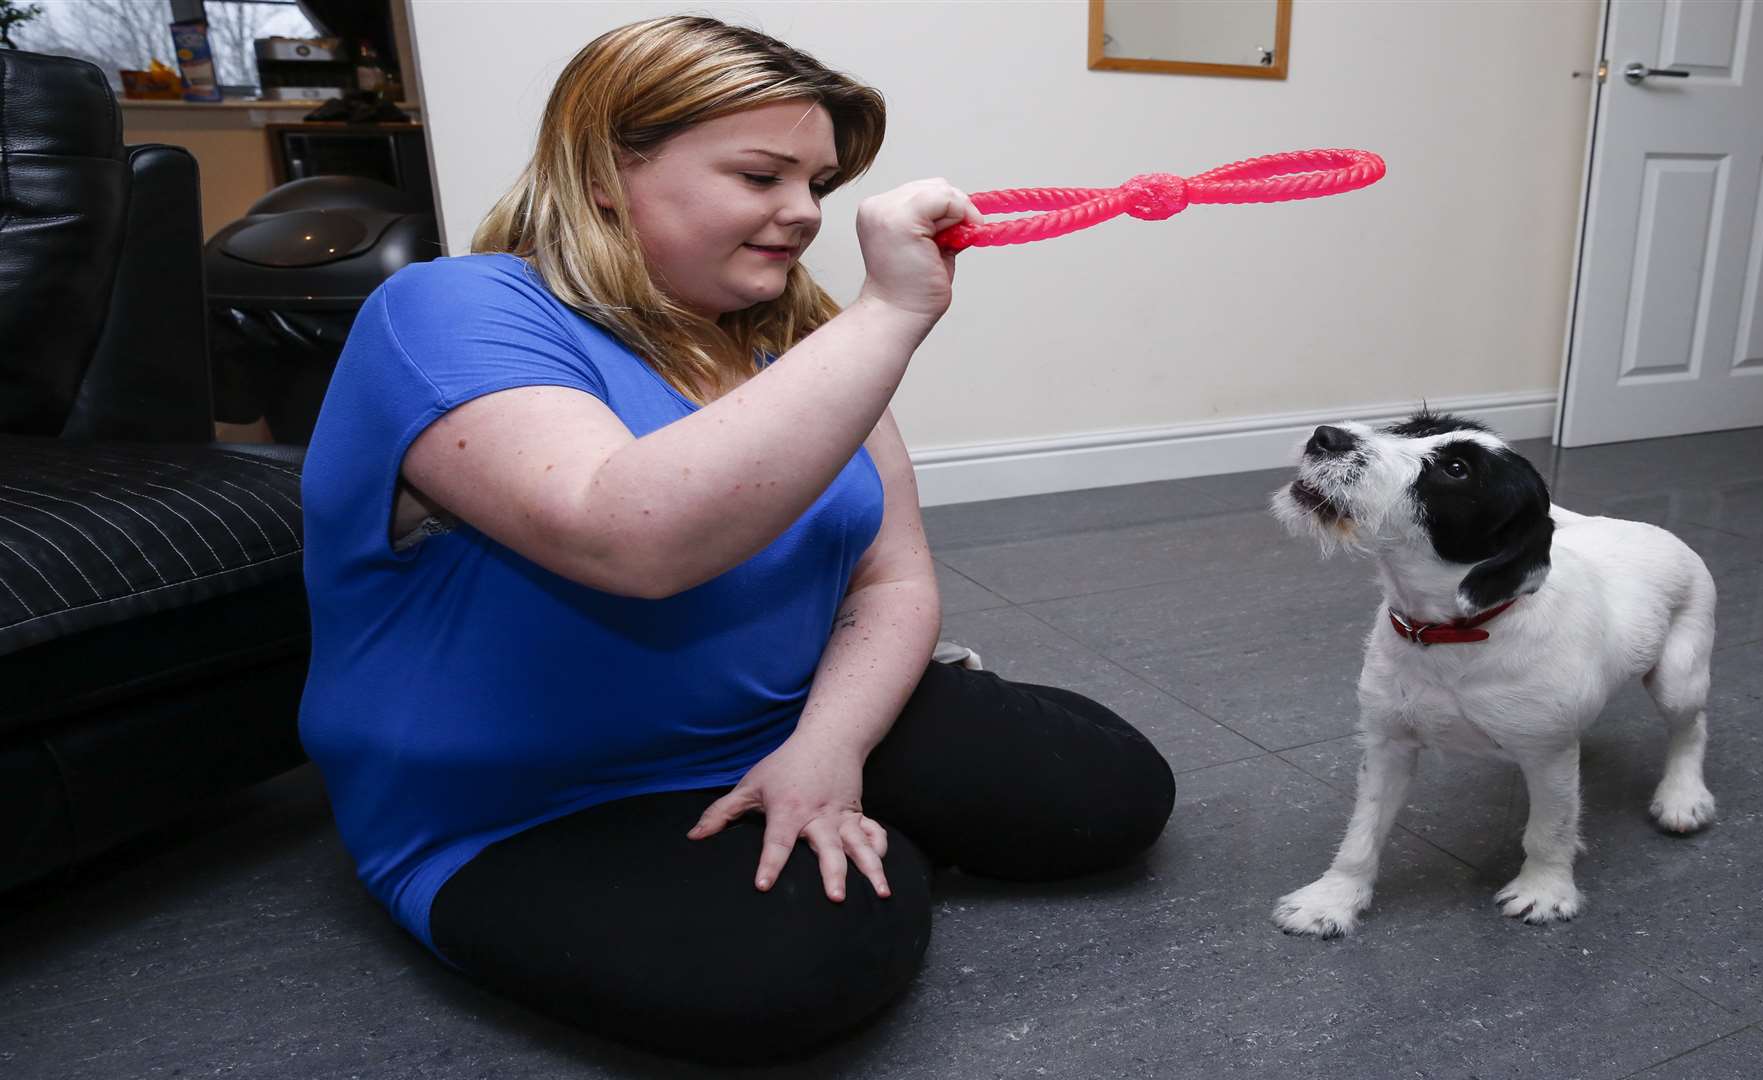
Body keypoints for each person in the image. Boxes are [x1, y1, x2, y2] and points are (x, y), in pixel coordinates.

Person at [297, 15, 1175, 1064]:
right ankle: (855, 840)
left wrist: (828, 746)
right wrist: (891, 313)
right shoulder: (451, 309)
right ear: (607, 169)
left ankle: (838, 799)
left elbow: (892, 581)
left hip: (777, 719)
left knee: (1109, 794)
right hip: (523, 809)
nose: (804, 214)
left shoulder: (792, 342)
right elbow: (629, 538)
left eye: (818, 182)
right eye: (763, 176)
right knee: (791, 967)